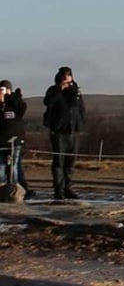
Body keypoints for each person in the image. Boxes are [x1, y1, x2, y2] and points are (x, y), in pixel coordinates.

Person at [42, 66, 86, 200]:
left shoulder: (76, 92)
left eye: (69, 75)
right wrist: (59, 90)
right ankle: (58, 190)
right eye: (65, 75)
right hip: (59, 131)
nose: (67, 78)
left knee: (70, 162)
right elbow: (48, 102)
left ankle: (68, 187)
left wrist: (81, 123)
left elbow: (81, 109)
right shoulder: (53, 90)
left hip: (73, 130)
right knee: (59, 162)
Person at [1, 80, 34, 199]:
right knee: (2, 167)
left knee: (14, 165)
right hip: (2, 140)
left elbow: (22, 109)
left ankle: (16, 190)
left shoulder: (14, 102)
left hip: (15, 139)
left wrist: (10, 97)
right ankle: (5, 189)